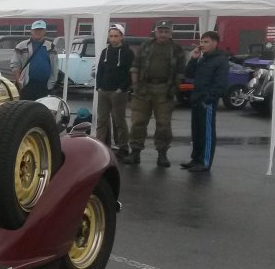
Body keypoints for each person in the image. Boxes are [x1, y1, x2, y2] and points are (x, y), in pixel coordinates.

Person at [124, 20, 188, 167]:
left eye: (166, 31)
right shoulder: (146, 46)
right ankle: (135, 152)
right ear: (155, 32)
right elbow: (135, 67)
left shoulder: (177, 49)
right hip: (143, 89)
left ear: (171, 33)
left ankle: (162, 154)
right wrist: (136, 86)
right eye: (161, 31)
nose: (163, 34)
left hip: (164, 90)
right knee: (138, 123)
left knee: (163, 125)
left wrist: (174, 89)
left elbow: (180, 72)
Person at [182, 30, 229, 173]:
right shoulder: (203, 59)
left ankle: (205, 162)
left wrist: (209, 100)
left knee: (207, 133)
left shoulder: (220, 60)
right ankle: (195, 159)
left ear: (215, 43)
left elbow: (220, 83)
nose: (203, 45)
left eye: (206, 42)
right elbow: (189, 74)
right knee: (197, 132)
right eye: (201, 42)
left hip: (206, 102)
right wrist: (194, 58)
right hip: (196, 99)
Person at [94, 24, 134, 157]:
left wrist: (122, 88)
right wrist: (98, 86)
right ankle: (100, 145)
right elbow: (100, 70)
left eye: (116, 36)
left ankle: (123, 146)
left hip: (118, 92)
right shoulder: (105, 52)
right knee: (102, 120)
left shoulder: (128, 53)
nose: (113, 39)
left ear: (122, 37)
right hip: (103, 90)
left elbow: (130, 72)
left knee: (119, 120)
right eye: (111, 36)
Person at [11, 20, 58, 100]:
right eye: (36, 30)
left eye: (40, 30)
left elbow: (55, 67)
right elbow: (15, 65)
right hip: (27, 86)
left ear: (45, 31)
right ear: (31, 31)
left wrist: (51, 85)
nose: (38, 32)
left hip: (45, 87)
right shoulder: (21, 46)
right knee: (26, 110)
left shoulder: (51, 47)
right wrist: (20, 83)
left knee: (42, 110)